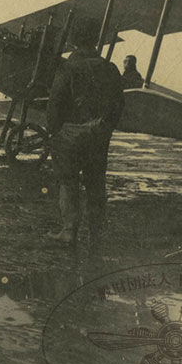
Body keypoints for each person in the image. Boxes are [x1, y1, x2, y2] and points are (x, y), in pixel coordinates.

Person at [47, 17, 125, 243]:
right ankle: (95, 233)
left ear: (73, 42)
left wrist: (56, 133)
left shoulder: (68, 67)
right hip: (99, 134)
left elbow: (54, 105)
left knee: (68, 181)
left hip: (70, 135)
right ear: (95, 41)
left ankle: (69, 231)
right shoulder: (110, 68)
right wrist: (106, 128)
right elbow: (119, 103)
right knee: (96, 182)